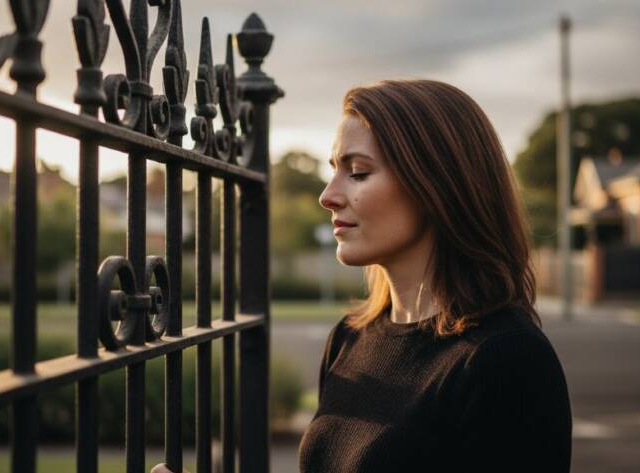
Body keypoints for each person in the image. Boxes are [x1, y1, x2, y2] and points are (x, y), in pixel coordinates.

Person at [153, 79, 572, 473]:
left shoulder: (505, 360)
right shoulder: (350, 338)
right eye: (334, 168)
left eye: (357, 172)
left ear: (437, 185)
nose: (328, 196)